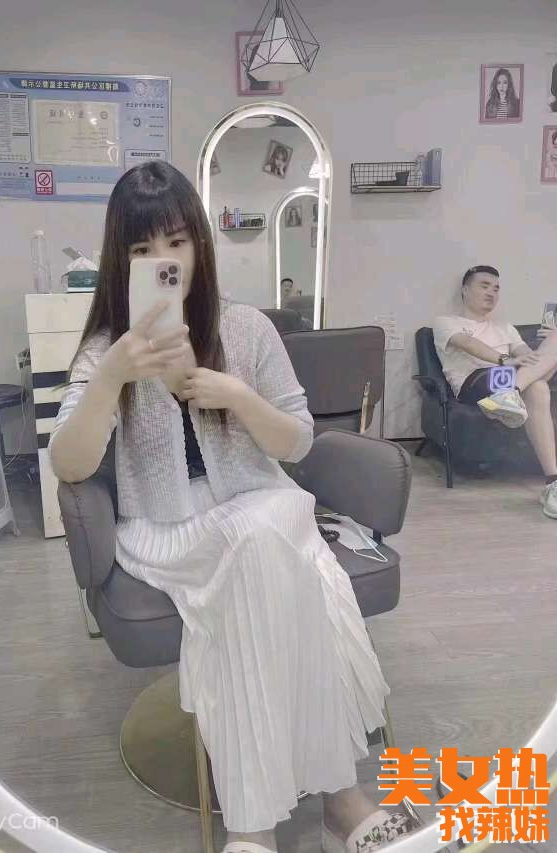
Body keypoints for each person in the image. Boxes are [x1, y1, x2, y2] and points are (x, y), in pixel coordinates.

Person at [50, 162, 414, 853]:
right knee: (272, 558)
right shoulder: (106, 350)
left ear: (200, 243)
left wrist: (237, 396)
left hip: (263, 504)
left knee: (258, 546)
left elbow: (297, 440)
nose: (165, 261)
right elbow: (69, 465)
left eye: (177, 242)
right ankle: (343, 800)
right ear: (120, 260)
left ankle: (252, 827)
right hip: (168, 529)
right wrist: (113, 375)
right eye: (142, 249)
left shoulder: (246, 329)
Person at [433, 266, 557, 518]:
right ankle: (509, 393)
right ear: (465, 290)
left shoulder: (505, 327)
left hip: (512, 378)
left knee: (540, 384)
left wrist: (547, 348)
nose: (492, 292)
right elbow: (468, 344)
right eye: (485, 286)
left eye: (496, 288)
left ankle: (552, 483)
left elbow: (527, 357)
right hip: (475, 381)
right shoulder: (446, 322)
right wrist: (504, 360)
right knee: (533, 381)